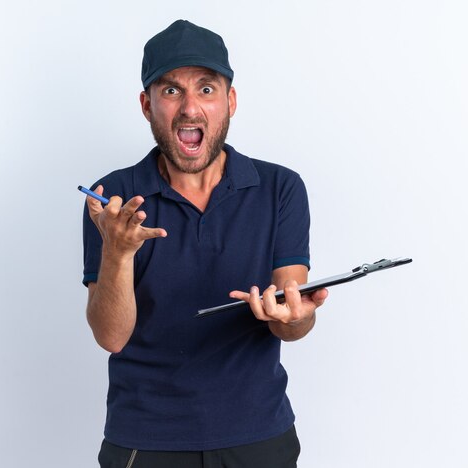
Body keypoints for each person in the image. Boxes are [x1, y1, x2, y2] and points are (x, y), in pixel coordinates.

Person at [82, 19, 328, 468]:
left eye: (207, 90)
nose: (190, 108)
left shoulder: (281, 188)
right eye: (171, 91)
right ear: (146, 104)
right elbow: (111, 336)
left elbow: (291, 320)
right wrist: (117, 251)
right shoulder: (112, 200)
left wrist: (293, 317)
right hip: (145, 440)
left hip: (259, 437)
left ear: (230, 100)